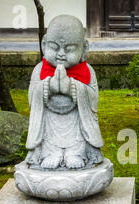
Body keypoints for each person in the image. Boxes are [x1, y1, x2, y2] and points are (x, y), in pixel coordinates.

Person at [26, 15, 103, 170]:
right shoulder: (40, 70)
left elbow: (94, 100)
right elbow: (32, 98)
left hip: (76, 128)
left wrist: (72, 87)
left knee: (78, 134)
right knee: (48, 133)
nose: (61, 54)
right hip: (49, 126)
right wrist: (49, 86)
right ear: (44, 44)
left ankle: (76, 153)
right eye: (54, 47)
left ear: (84, 48)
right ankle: (49, 153)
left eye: (69, 49)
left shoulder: (87, 72)